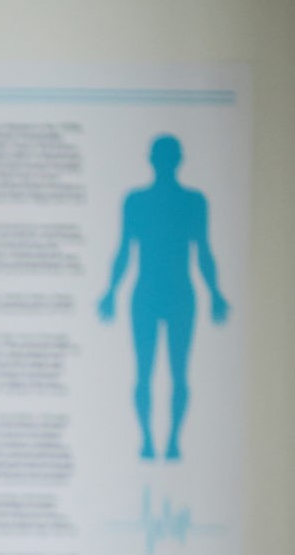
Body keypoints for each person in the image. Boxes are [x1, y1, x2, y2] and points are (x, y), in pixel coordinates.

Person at [97, 133, 229, 462]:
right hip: (152, 293)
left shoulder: (192, 202)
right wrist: (111, 290)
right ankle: (149, 441)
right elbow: (125, 251)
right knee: (147, 372)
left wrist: (215, 292)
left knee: (176, 372)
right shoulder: (138, 201)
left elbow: (203, 252)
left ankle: (170, 442)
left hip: (176, 293)